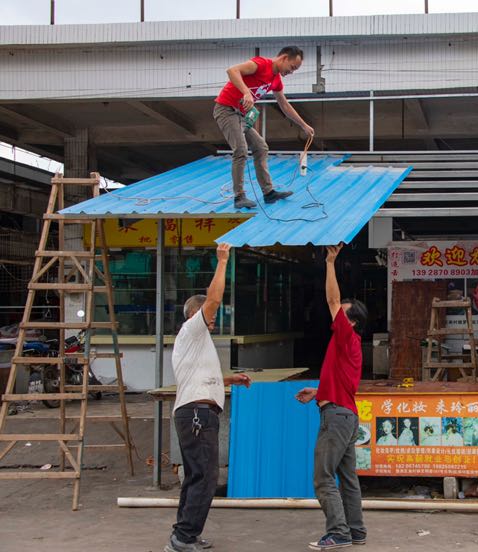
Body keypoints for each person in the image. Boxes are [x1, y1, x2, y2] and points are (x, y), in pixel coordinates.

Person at [164, 243, 252, 552]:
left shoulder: (195, 342)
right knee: (205, 477)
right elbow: (213, 299)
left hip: (194, 413)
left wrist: (229, 379)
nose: (212, 317)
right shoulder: (192, 330)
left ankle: (184, 534)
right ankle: (184, 537)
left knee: (196, 476)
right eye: (208, 314)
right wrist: (223, 261)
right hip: (197, 414)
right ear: (194, 314)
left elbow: (197, 376)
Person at [296, 243, 369, 550]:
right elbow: (342, 384)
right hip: (346, 415)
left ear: (351, 322)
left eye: (342, 314)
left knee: (323, 477)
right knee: (348, 479)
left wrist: (329, 262)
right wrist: (319, 391)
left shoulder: (346, 336)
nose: (336, 315)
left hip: (337, 418)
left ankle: (338, 533)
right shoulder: (349, 347)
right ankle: (356, 531)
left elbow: (332, 299)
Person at [214, 46, 315, 209]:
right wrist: (246, 92)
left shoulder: (276, 80)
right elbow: (232, 70)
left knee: (261, 147)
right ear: (284, 58)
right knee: (240, 150)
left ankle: (268, 193)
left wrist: (303, 125)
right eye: (292, 67)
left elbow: (284, 105)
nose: (291, 72)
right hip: (226, 110)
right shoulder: (261, 64)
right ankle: (239, 196)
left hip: (241, 116)